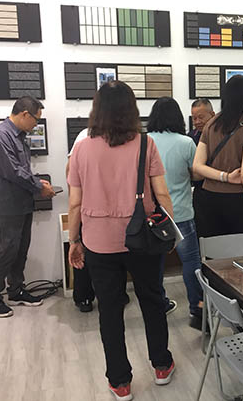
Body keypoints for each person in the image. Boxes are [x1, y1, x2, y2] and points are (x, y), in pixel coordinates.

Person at [67, 81, 175, 399]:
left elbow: (75, 202)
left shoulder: (82, 148)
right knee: (152, 301)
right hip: (142, 238)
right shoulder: (146, 144)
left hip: (98, 241)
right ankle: (161, 365)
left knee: (110, 310)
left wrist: (74, 240)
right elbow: (162, 193)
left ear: (97, 109)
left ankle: (120, 381)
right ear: (131, 109)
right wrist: (170, 230)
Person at [0, 96, 56, 318]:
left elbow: (21, 169)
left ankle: (16, 291)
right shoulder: (1, 135)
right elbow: (12, 171)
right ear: (25, 114)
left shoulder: (19, 136)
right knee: (7, 251)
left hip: (21, 203)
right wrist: (39, 187)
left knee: (20, 250)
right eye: (36, 119)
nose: (36, 124)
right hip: (7, 205)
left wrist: (36, 182)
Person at [148, 97, 205, 330]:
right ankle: (197, 309)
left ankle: (158, 305)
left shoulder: (144, 142)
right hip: (181, 212)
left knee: (155, 263)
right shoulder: (186, 142)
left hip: (153, 215)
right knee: (191, 262)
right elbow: (197, 174)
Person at [192, 75, 243, 237]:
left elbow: (197, 166)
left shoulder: (211, 124)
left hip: (209, 199)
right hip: (237, 200)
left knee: (214, 250)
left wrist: (225, 177)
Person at [66, 129, 130, 313]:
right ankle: (87, 295)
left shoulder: (88, 137)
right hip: (97, 207)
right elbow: (70, 170)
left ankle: (93, 296)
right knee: (95, 251)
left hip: (97, 207)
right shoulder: (86, 136)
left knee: (101, 252)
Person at [188, 98, 215, 234]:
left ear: (212, 115)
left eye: (201, 117)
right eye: (194, 118)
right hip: (200, 193)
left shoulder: (223, 136)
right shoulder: (190, 138)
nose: (197, 122)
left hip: (221, 191)